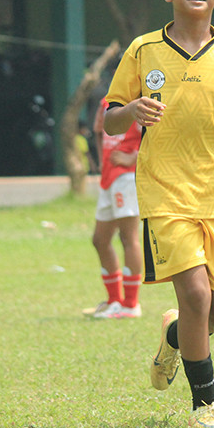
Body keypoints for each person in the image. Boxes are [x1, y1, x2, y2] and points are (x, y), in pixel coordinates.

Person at [102, 0, 214, 428]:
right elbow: (108, 121)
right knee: (194, 295)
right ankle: (205, 407)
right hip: (164, 191)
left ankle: (174, 339)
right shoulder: (143, 51)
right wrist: (131, 110)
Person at [82, 99, 143, 319]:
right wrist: (101, 160)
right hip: (109, 178)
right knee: (100, 239)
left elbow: (159, 139)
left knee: (129, 238)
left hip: (127, 178)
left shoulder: (143, 100)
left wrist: (133, 158)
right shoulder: (107, 103)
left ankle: (130, 304)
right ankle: (114, 301)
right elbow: (99, 130)